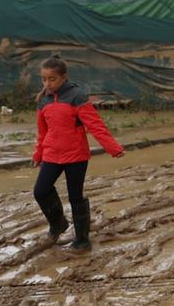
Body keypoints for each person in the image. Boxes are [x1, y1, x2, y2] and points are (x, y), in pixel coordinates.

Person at [32, 57, 124, 252]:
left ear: (63, 78)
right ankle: (58, 225)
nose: (48, 84)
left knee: (76, 197)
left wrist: (113, 147)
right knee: (40, 191)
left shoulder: (77, 97)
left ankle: (82, 240)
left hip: (76, 156)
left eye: (52, 79)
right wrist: (38, 154)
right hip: (51, 155)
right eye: (44, 79)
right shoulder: (43, 101)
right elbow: (42, 132)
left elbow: (95, 125)